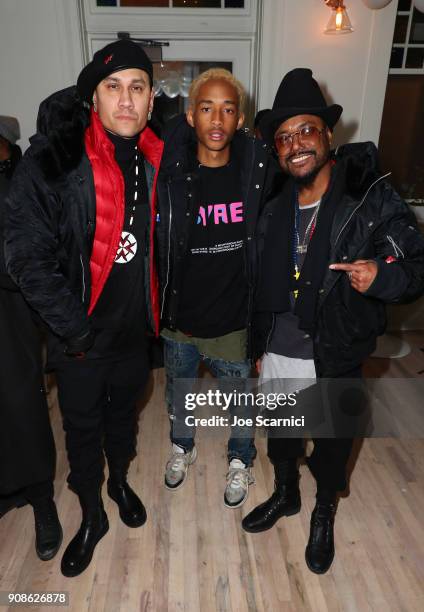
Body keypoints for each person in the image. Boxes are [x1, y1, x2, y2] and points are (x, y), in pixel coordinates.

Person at [241, 68, 424, 573]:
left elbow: (415, 266)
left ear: (327, 135)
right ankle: (286, 494)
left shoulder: (370, 197)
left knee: (331, 444)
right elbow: (257, 279)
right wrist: (256, 344)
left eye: (305, 131)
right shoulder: (271, 202)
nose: (295, 144)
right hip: (278, 345)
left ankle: (323, 511)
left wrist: (381, 276)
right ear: (276, 149)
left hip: (336, 348)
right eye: (283, 137)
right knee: (280, 433)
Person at [5, 39, 164, 577]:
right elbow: (25, 257)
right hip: (81, 340)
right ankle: (92, 512)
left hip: (135, 336)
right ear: (92, 98)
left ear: (150, 99)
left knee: (124, 419)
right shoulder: (54, 160)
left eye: (136, 88)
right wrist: (74, 330)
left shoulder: (159, 159)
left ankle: (119, 481)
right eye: (112, 88)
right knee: (82, 431)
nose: (125, 101)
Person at [156, 69, 278, 508]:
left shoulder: (256, 172)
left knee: (239, 403)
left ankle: (241, 458)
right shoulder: (167, 175)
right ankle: (181, 447)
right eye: (206, 107)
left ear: (238, 117)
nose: (217, 119)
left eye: (227, 109)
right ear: (191, 115)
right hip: (179, 323)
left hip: (230, 323)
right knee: (180, 393)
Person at [0, 116, 61, 561]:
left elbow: (28, 255)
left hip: (12, 315)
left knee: (22, 404)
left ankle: (42, 500)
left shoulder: (20, 186)